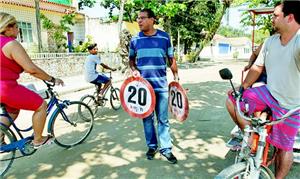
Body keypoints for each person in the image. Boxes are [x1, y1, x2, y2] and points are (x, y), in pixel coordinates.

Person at [226, 1, 300, 178]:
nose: (272, 19)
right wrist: (243, 87)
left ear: (290, 17)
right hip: (268, 94)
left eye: (275, 15)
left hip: (291, 105)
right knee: (232, 99)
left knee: (284, 148)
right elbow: (258, 67)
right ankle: (249, 135)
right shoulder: (270, 41)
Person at [0, 12, 64, 148]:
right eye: (17, 27)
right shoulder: (11, 44)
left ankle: (0, 137)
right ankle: (38, 139)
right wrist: (52, 79)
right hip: (6, 88)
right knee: (41, 105)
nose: (18, 30)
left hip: (2, 90)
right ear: (8, 27)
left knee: (13, 111)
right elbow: (31, 69)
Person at [129, 9, 179, 164]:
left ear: (152, 20)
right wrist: (134, 70)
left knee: (163, 120)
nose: (139, 21)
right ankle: (152, 146)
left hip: (161, 86)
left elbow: (171, 59)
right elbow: (131, 60)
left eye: (142, 18)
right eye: (138, 18)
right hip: (143, 89)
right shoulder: (135, 39)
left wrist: (176, 78)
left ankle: (166, 149)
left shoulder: (164, 37)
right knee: (147, 119)